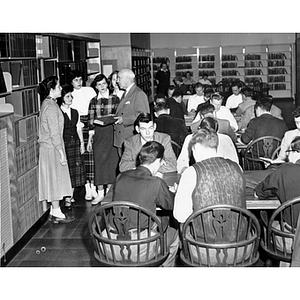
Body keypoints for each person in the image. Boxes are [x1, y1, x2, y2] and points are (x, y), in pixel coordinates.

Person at [173, 128, 246, 264]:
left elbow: (180, 216)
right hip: (240, 246)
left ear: (196, 148)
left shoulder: (191, 173)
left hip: (205, 249)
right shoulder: (237, 168)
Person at [102, 141, 179, 267]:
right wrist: (174, 192)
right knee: (174, 235)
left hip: (110, 245)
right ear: (158, 161)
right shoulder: (156, 182)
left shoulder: (121, 176)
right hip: (140, 248)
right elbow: (170, 205)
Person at [38, 76, 74, 224]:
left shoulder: (47, 103)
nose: (60, 89)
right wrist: (61, 153)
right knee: (55, 179)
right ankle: (57, 212)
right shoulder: (51, 107)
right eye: (58, 87)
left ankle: (54, 210)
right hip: (52, 148)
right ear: (52, 90)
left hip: (49, 148)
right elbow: (54, 133)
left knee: (53, 178)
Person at [255, 136, 300, 253]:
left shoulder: (285, 170)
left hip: (291, 240)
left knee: (266, 221)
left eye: (289, 152)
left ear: (296, 153)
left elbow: (259, 192)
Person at [87, 74, 120, 205]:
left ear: (108, 84)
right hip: (99, 134)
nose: (102, 86)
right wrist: (90, 139)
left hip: (112, 132)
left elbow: (118, 116)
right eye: (99, 84)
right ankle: (100, 193)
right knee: (99, 162)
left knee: (112, 162)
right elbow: (91, 121)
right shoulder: (93, 101)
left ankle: (110, 192)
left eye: (104, 84)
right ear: (95, 86)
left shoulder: (115, 99)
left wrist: (110, 118)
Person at [69, 70, 97, 201]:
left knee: (93, 155)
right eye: (76, 80)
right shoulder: (71, 95)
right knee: (83, 156)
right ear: (71, 82)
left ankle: (94, 186)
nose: (79, 82)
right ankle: (87, 187)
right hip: (79, 126)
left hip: (92, 122)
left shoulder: (90, 91)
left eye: (80, 79)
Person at [57, 84, 86, 208]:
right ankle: (67, 197)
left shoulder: (75, 112)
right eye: (68, 96)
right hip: (64, 144)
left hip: (75, 143)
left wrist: (82, 143)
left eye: (71, 96)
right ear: (62, 98)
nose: (70, 98)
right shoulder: (58, 112)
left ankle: (71, 196)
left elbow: (78, 128)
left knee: (75, 171)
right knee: (66, 171)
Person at [114, 68, 150, 154]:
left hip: (130, 138)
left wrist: (124, 120)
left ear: (126, 79)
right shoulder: (126, 93)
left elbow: (143, 116)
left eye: (119, 78)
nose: (117, 81)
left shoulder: (138, 94)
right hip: (122, 138)